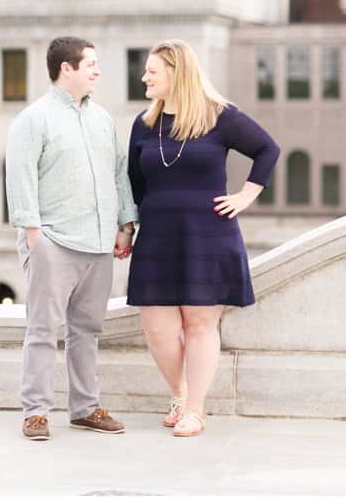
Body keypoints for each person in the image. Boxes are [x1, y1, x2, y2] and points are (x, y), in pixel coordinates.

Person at [126, 39, 279, 438]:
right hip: (157, 235)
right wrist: (128, 227)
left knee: (199, 323)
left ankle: (195, 409)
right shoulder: (142, 124)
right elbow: (134, 183)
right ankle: (179, 393)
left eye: (152, 72)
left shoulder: (220, 116)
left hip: (208, 234)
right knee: (155, 326)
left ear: (177, 74)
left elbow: (267, 149)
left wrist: (246, 196)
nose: (144, 77)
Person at [6, 36, 138, 442]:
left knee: (88, 330)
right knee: (43, 330)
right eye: (91, 64)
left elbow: (119, 173)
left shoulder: (102, 119)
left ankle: (84, 408)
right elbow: (20, 174)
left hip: (99, 244)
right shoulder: (34, 119)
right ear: (67, 68)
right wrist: (33, 235)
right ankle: (36, 413)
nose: (98, 71)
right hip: (54, 242)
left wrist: (125, 222)